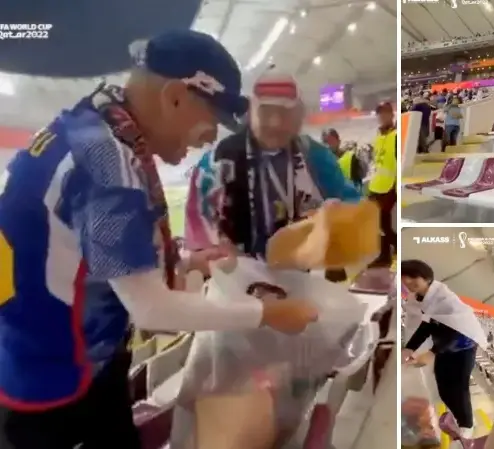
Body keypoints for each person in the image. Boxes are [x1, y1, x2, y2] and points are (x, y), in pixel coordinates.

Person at [0, 30, 319, 449]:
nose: (210, 138)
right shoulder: (107, 164)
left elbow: (86, 253)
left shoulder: (87, 125)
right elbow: (152, 308)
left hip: (66, 357)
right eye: (212, 122)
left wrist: (186, 260)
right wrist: (267, 313)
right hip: (53, 386)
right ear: (174, 98)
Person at [185, 73, 361, 283]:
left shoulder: (315, 157)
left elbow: (353, 207)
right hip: (236, 287)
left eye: (285, 113)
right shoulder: (216, 163)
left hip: (296, 283)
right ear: (252, 113)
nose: (276, 123)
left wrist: (337, 217)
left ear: (299, 116)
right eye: (266, 112)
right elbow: (197, 236)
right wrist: (212, 254)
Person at [400, 260, 489, 447]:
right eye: (404, 277)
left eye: (413, 276)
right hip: (444, 347)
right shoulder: (424, 298)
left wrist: (432, 352)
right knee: (444, 388)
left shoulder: (445, 299)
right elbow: (427, 326)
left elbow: (457, 332)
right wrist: (409, 348)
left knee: (459, 389)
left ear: (426, 278)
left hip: (463, 347)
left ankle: (467, 426)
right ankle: (455, 417)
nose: (408, 281)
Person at [368, 102, 397, 268]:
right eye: (379, 114)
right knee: (379, 224)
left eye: (385, 113)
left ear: (391, 115)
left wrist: (394, 189)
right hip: (375, 186)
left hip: (388, 188)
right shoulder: (378, 136)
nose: (382, 117)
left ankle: (385, 254)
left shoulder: (395, 136)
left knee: (382, 223)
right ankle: (387, 252)